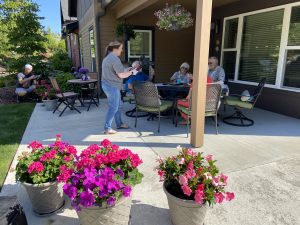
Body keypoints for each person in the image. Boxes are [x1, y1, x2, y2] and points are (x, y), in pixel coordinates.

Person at [101, 40, 138, 135]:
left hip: (107, 84)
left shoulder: (108, 57)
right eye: (121, 48)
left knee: (118, 106)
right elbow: (121, 75)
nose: (121, 51)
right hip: (112, 86)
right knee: (113, 107)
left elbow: (117, 72)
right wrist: (132, 72)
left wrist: (128, 70)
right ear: (115, 49)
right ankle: (107, 128)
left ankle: (119, 124)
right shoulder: (114, 59)